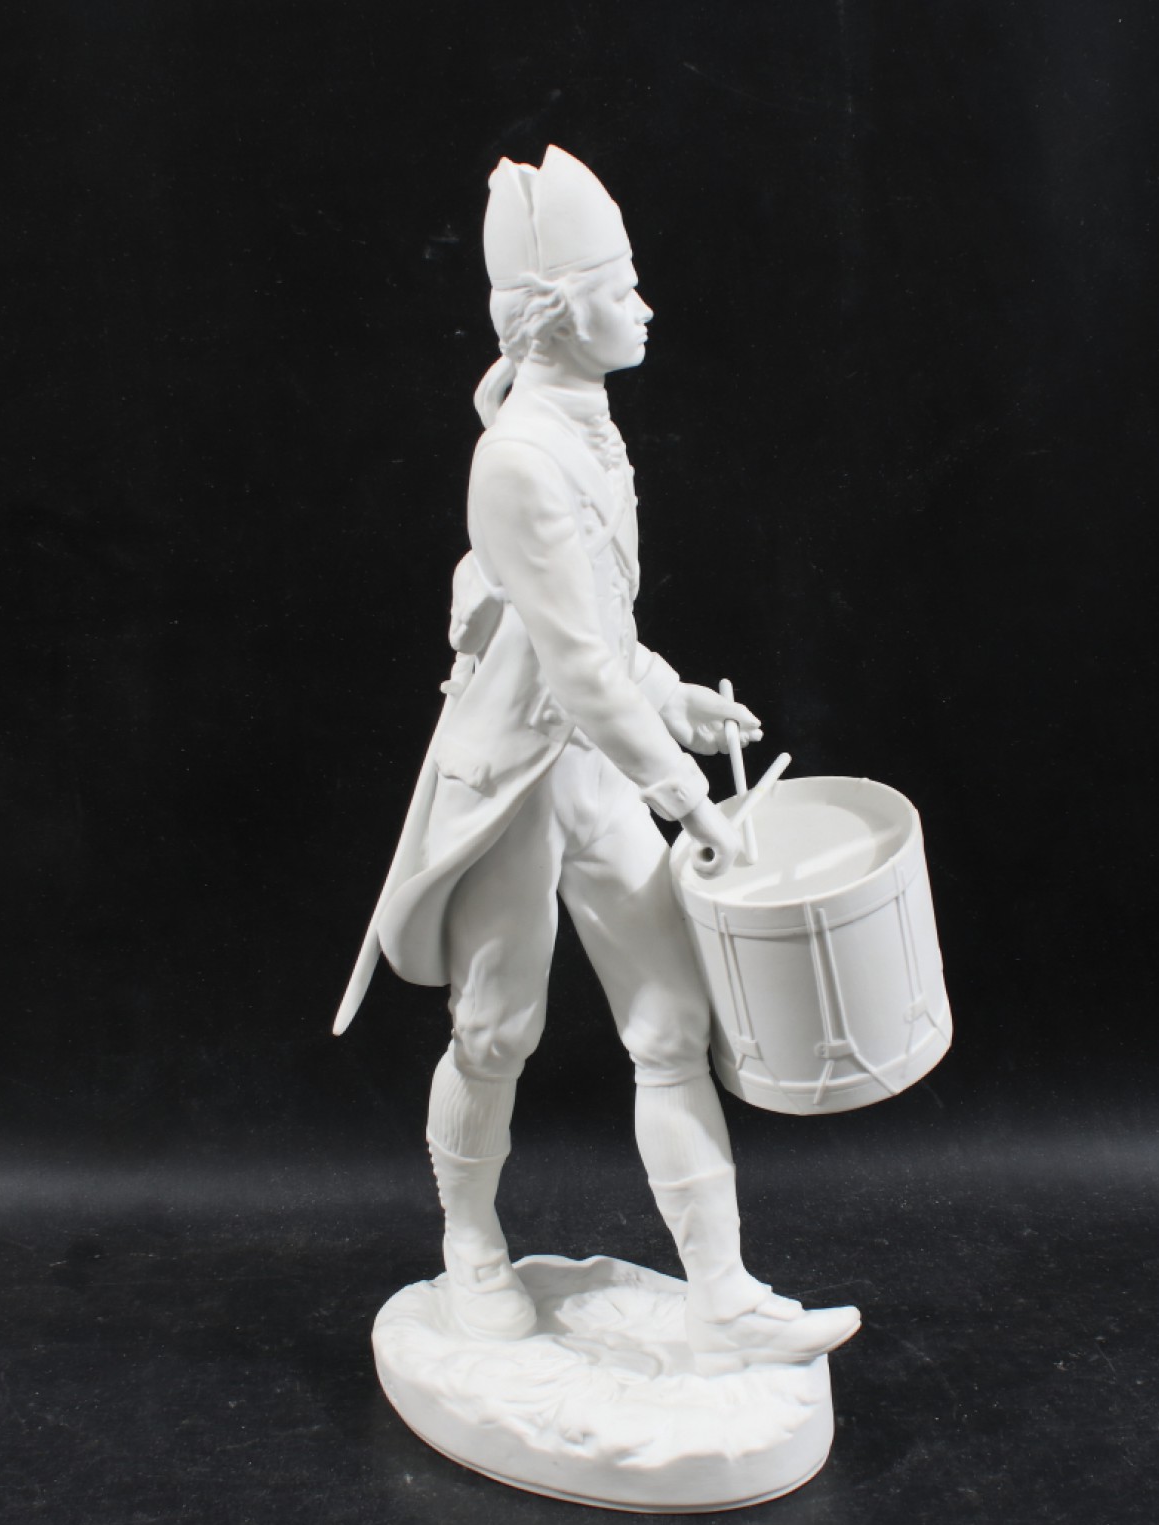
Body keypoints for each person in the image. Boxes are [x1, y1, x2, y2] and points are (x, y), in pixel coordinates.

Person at [338, 146, 858, 1371]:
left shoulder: (587, 429)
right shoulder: (518, 459)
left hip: (589, 762)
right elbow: (571, 665)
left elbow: (595, 634)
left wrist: (673, 699)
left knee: (671, 1022)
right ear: (558, 313)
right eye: (621, 288)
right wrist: (683, 795)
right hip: (514, 784)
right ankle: (471, 1244)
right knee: (494, 1029)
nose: (646, 306)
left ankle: (721, 1295)